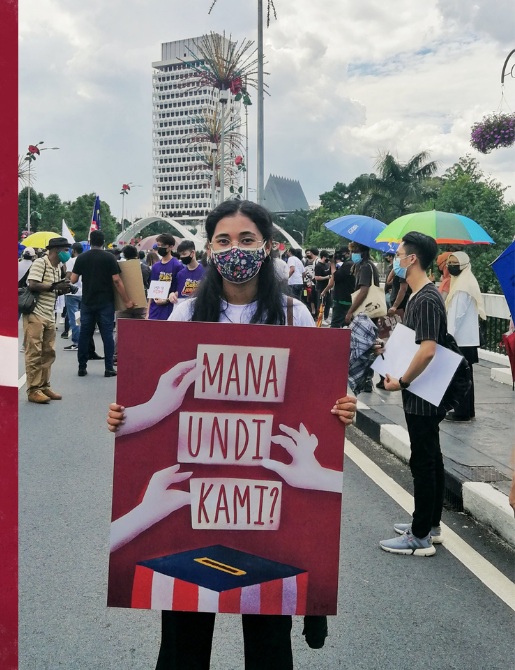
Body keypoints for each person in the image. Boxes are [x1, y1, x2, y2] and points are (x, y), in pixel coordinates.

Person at [107, 200, 357, 670]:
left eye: (246, 240)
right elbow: (156, 401)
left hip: (268, 506)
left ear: (267, 247)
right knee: (184, 641)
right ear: (208, 249)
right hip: (192, 502)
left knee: (268, 642)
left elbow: (316, 397)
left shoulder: (293, 314)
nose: (235, 250)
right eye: (224, 240)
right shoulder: (183, 316)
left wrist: (340, 412)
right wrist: (128, 418)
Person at [378, 231, 449, 555]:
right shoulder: (421, 296)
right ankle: (429, 525)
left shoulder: (427, 298)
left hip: (422, 393)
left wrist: (402, 382)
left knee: (423, 460)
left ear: (412, 259)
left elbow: (429, 350)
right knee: (431, 456)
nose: (397, 259)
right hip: (422, 391)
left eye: (400, 254)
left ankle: (419, 536)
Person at [69, 230, 133, 377]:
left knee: (85, 334)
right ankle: (109, 367)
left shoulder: (82, 258)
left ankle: (82, 367)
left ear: (90, 242)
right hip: (105, 302)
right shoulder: (109, 258)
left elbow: (73, 279)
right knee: (107, 335)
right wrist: (126, 301)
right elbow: (117, 280)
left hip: (87, 301)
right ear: (103, 242)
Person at [23, 237, 74, 403]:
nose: (67, 253)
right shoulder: (40, 263)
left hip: (49, 315)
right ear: (56, 250)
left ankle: (44, 386)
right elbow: (32, 284)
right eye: (65, 250)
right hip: (36, 313)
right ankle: (33, 390)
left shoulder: (56, 267)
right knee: (34, 353)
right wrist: (54, 286)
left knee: (48, 353)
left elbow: (52, 290)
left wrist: (61, 289)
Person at [443, 252, 485, 422]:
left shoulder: (462, 286)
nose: (451, 265)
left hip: (460, 339)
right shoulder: (465, 282)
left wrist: (448, 337)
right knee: (466, 375)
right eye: (449, 262)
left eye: (455, 262)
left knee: (460, 377)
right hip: (466, 340)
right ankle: (468, 411)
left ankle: (461, 412)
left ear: (464, 264)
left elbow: (456, 316)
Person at [147, 233, 182, 321]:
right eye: (158, 245)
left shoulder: (177, 265)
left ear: (171, 247)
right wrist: (147, 313)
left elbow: (180, 289)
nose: (160, 248)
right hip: (154, 310)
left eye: (162, 245)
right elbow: (152, 291)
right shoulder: (155, 266)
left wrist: (166, 300)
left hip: (169, 309)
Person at [343, 242, 378, 325]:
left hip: (366, 310)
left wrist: (350, 311)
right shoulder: (367, 265)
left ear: (362, 253)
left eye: (355, 252)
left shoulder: (365, 267)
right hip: (370, 309)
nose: (352, 255)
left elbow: (363, 291)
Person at [63, 243, 84, 351]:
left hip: (72, 293)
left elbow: (69, 276)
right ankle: (82, 341)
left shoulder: (71, 261)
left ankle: (76, 342)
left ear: (73, 250)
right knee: (80, 318)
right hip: (83, 292)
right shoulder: (85, 260)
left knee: (74, 319)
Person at [327, 246, 354, 328]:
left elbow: (335, 276)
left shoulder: (348, 265)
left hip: (342, 300)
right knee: (345, 325)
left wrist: (332, 264)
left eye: (341, 254)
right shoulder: (348, 264)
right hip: (346, 298)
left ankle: (333, 340)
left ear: (348, 254)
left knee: (335, 324)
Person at [314, 250, 332, 322]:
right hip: (320, 287)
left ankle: (326, 317)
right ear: (324, 257)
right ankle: (320, 317)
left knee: (328, 302)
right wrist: (327, 277)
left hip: (327, 287)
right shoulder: (318, 266)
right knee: (321, 302)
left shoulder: (327, 265)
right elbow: (316, 277)